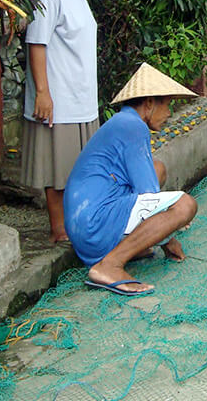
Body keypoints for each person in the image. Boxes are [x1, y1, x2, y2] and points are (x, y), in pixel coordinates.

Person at [64, 63, 199, 296]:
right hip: (94, 227)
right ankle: (110, 266)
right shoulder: (133, 127)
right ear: (149, 104)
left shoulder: (123, 121)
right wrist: (167, 238)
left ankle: (124, 250)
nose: (169, 114)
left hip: (86, 229)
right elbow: (149, 196)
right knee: (185, 205)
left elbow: (148, 182)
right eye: (167, 105)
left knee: (158, 168)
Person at [21, 0, 118, 243]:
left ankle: (77, 226)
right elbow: (37, 41)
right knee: (58, 171)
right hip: (59, 97)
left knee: (80, 169)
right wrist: (43, 94)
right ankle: (59, 231)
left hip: (81, 96)